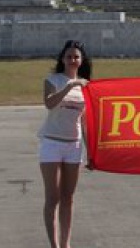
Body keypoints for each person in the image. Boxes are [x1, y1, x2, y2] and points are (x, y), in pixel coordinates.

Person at [39, 40, 91, 248]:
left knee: (68, 197)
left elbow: (85, 122)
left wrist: (90, 152)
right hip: (51, 143)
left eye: (76, 57)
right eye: (69, 56)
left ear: (81, 60)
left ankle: (65, 244)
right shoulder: (53, 80)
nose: (72, 60)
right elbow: (49, 103)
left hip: (74, 146)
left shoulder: (86, 86)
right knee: (53, 198)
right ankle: (54, 244)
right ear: (62, 59)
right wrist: (69, 86)